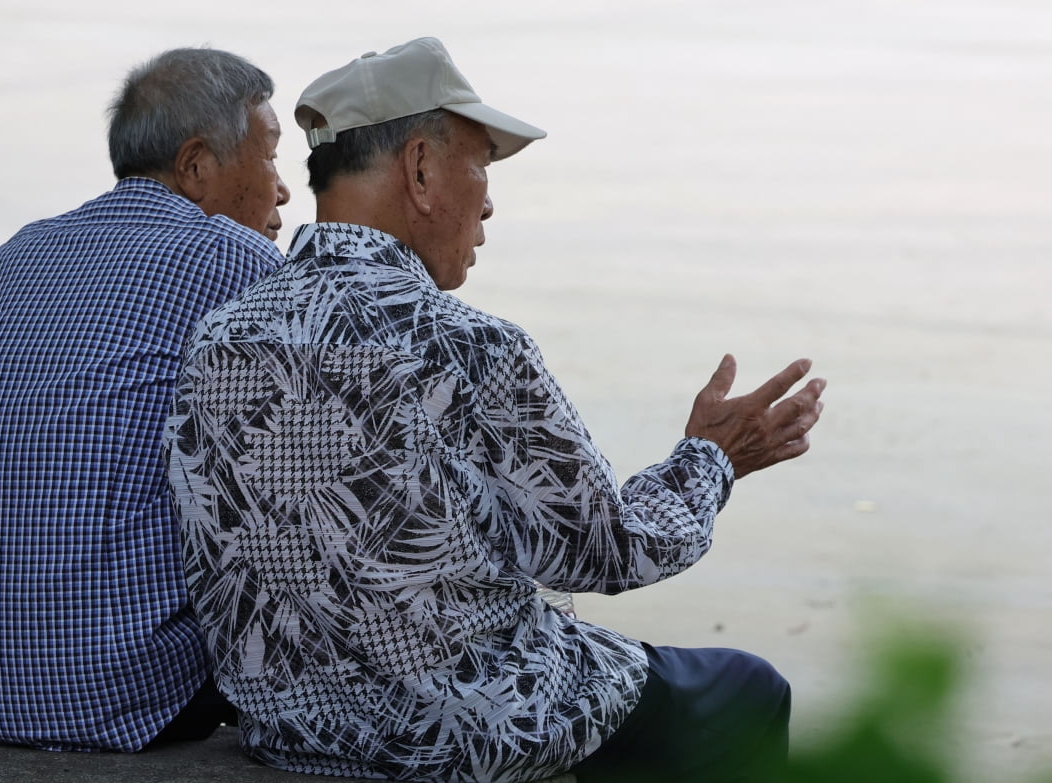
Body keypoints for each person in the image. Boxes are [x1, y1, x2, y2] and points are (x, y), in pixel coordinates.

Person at [164, 37, 826, 782]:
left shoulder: (218, 337)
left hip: (289, 731)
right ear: (419, 169)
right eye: (479, 164)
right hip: (463, 730)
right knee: (750, 686)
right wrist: (712, 458)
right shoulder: (465, 346)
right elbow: (608, 551)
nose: (488, 199)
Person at [0, 47, 290, 752]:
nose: (284, 190)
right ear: (197, 165)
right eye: (270, 157)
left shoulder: (20, 253)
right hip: (112, 699)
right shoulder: (238, 259)